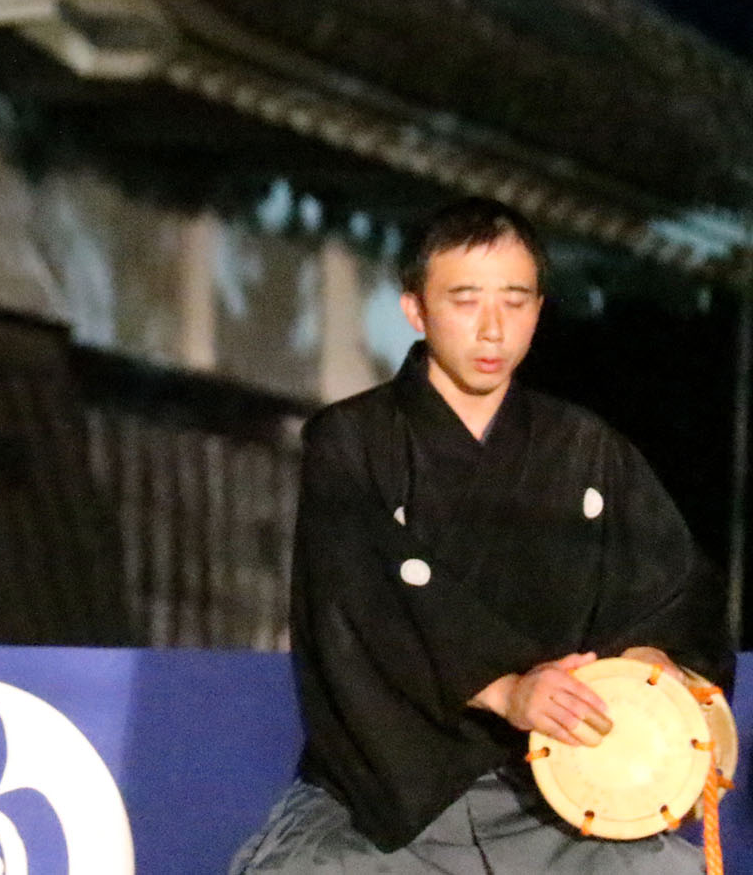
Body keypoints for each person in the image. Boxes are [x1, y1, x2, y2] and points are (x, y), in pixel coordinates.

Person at [232, 198, 731, 873]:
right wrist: (508, 688)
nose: (492, 328)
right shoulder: (352, 442)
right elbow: (363, 601)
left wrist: (650, 659)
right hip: (382, 799)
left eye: (515, 301)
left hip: (554, 792)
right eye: (465, 300)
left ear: (539, 310)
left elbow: (673, 590)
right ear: (416, 308)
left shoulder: (585, 448)